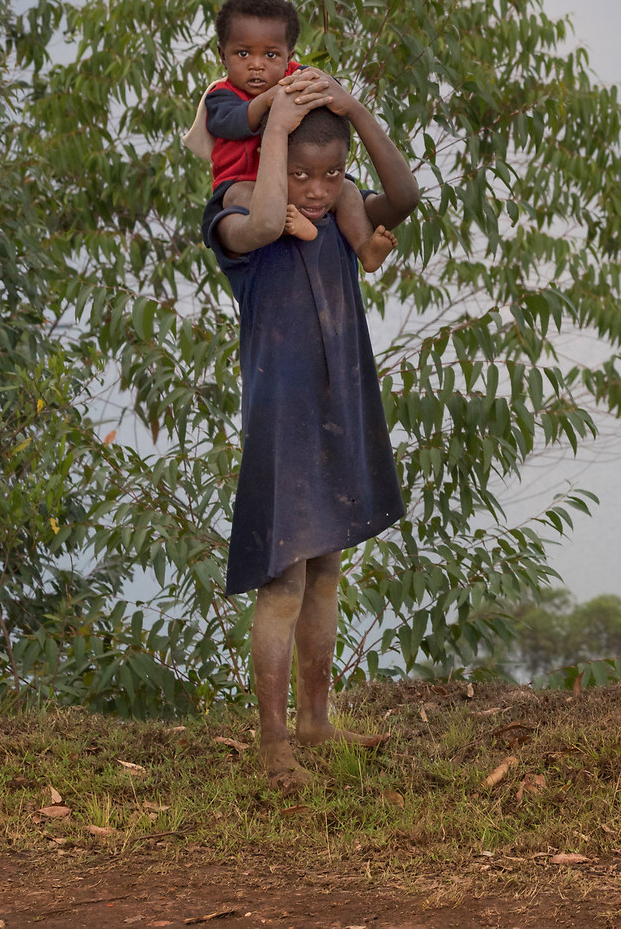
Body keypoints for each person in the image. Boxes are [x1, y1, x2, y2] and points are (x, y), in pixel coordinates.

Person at [205, 70, 422, 784]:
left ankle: (316, 721)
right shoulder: (241, 214)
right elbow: (265, 222)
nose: (316, 191)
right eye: (300, 175)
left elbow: (408, 196)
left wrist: (354, 108)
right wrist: (271, 127)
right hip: (282, 425)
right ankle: (273, 744)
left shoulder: (340, 217)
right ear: (274, 165)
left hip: (337, 411)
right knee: (284, 584)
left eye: (330, 176)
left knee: (326, 572)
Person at [186, 0, 397, 271]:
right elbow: (231, 121)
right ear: (222, 56)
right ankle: (287, 225)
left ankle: (365, 249)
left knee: (347, 190)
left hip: (297, 181)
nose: (257, 64)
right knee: (237, 196)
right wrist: (266, 100)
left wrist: (325, 86)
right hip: (245, 182)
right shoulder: (221, 95)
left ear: (289, 57)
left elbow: (325, 85)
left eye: (271, 54)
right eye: (243, 53)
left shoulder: (293, 75)